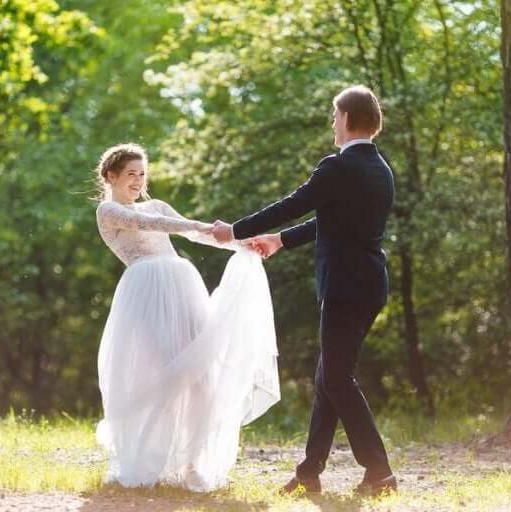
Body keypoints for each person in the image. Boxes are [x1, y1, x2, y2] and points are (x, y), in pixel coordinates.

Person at [212, 85, 398, 496]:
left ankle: (380, 472)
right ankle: (309, 471)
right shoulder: (380, 169)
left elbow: (293, 203)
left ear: (347, 118)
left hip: (346, 289)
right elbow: (333, 222)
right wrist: (281, 240)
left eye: (335, 115)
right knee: (329, 377)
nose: (333, 123)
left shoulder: (337, 167)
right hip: (368, 285)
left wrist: (235, 231)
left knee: (335, 378)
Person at [93, 143, 280, 492]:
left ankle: (193, 461)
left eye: (142, 174)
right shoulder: (107, 211)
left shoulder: (158, 204)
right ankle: (150, 456)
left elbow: (192, 234)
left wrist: (240, 242)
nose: (137, 180)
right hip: (147, 292)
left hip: (183, 287)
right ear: (111, 176)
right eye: (131, 174)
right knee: (171, 372)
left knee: (202, 374)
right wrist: (191, 223)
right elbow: (150, 222)